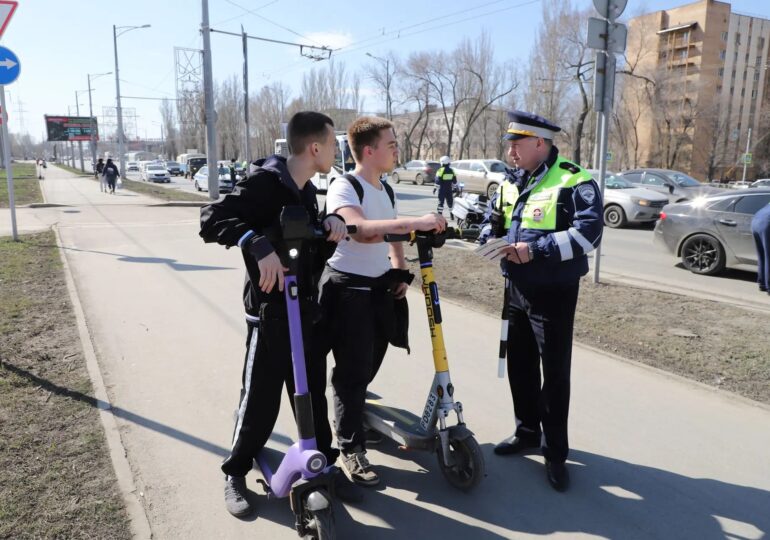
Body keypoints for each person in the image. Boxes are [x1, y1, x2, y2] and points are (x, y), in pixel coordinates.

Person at [199, 111, 361, 518]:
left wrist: (330, 225)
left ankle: (323, 465)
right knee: (259, 400)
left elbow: (306, 249)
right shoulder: (265, 183)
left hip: (303, 310)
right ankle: (236, 471)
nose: (336, 151)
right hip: (269, 314)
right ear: (315, 147)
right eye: (333, 144)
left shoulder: (305, 190)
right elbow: (211, 218)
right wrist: (256, 244)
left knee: (312, 397)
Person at [320, 116, 446, 487]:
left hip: (379, 288)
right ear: (369, 150)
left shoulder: (386, 189)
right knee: (352, 371)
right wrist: (417, 222)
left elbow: (391, 234)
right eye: (390, 144)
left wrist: (399, 269)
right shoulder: (345, 187)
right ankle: (350, 448)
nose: (396, 149)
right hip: (348, 291)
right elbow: (360, 230)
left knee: (371, 361)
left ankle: (354, 415)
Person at [493, 110, 603, 492]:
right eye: (509, 144)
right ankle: (526, 431)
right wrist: (487, 237)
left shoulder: (574, 179)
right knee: (519, 365)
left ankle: (555, 453)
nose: (510, 152)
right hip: (516, 288)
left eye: (517, 144)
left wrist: (535, 250)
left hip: (554, 292)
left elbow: (589, 234)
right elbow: (496, 221)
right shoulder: (512, 180)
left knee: (554, 374)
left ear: (539, 143)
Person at [751, 202, 770, 294]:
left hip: (757, 220)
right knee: (768, 256)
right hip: (767, 222)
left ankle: (762, 283)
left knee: (762, 254)